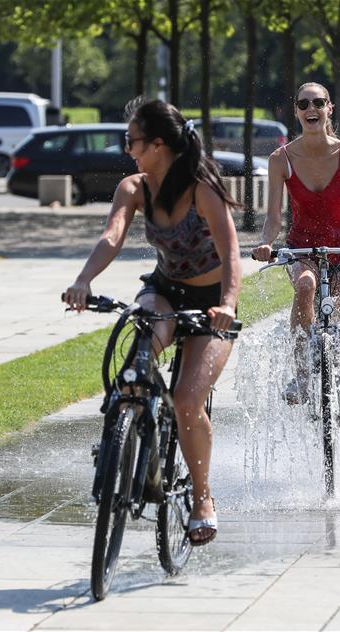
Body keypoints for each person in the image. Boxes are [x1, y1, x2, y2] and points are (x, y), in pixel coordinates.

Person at [64, 98, 242, 546]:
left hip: (210, 302)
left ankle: (202, 498)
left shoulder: (201, 188)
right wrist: (83, 280)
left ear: (159, 144)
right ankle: (124, 446)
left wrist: (230, 304)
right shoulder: (134, 187)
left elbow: (231, 251)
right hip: (165, 289)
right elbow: (112, 235)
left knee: (186, 399)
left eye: (133, 142)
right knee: (136, 356)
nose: (128, 150)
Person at [252, 82, 340, 460]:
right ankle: (300, 372)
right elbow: (274, 216)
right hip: (303, 247)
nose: (311, 109)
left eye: (318, 102)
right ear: (295, 111)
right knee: (305, 286)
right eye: (303, 103)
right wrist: (266, 243)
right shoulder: (282, 158)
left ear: (329, 109)